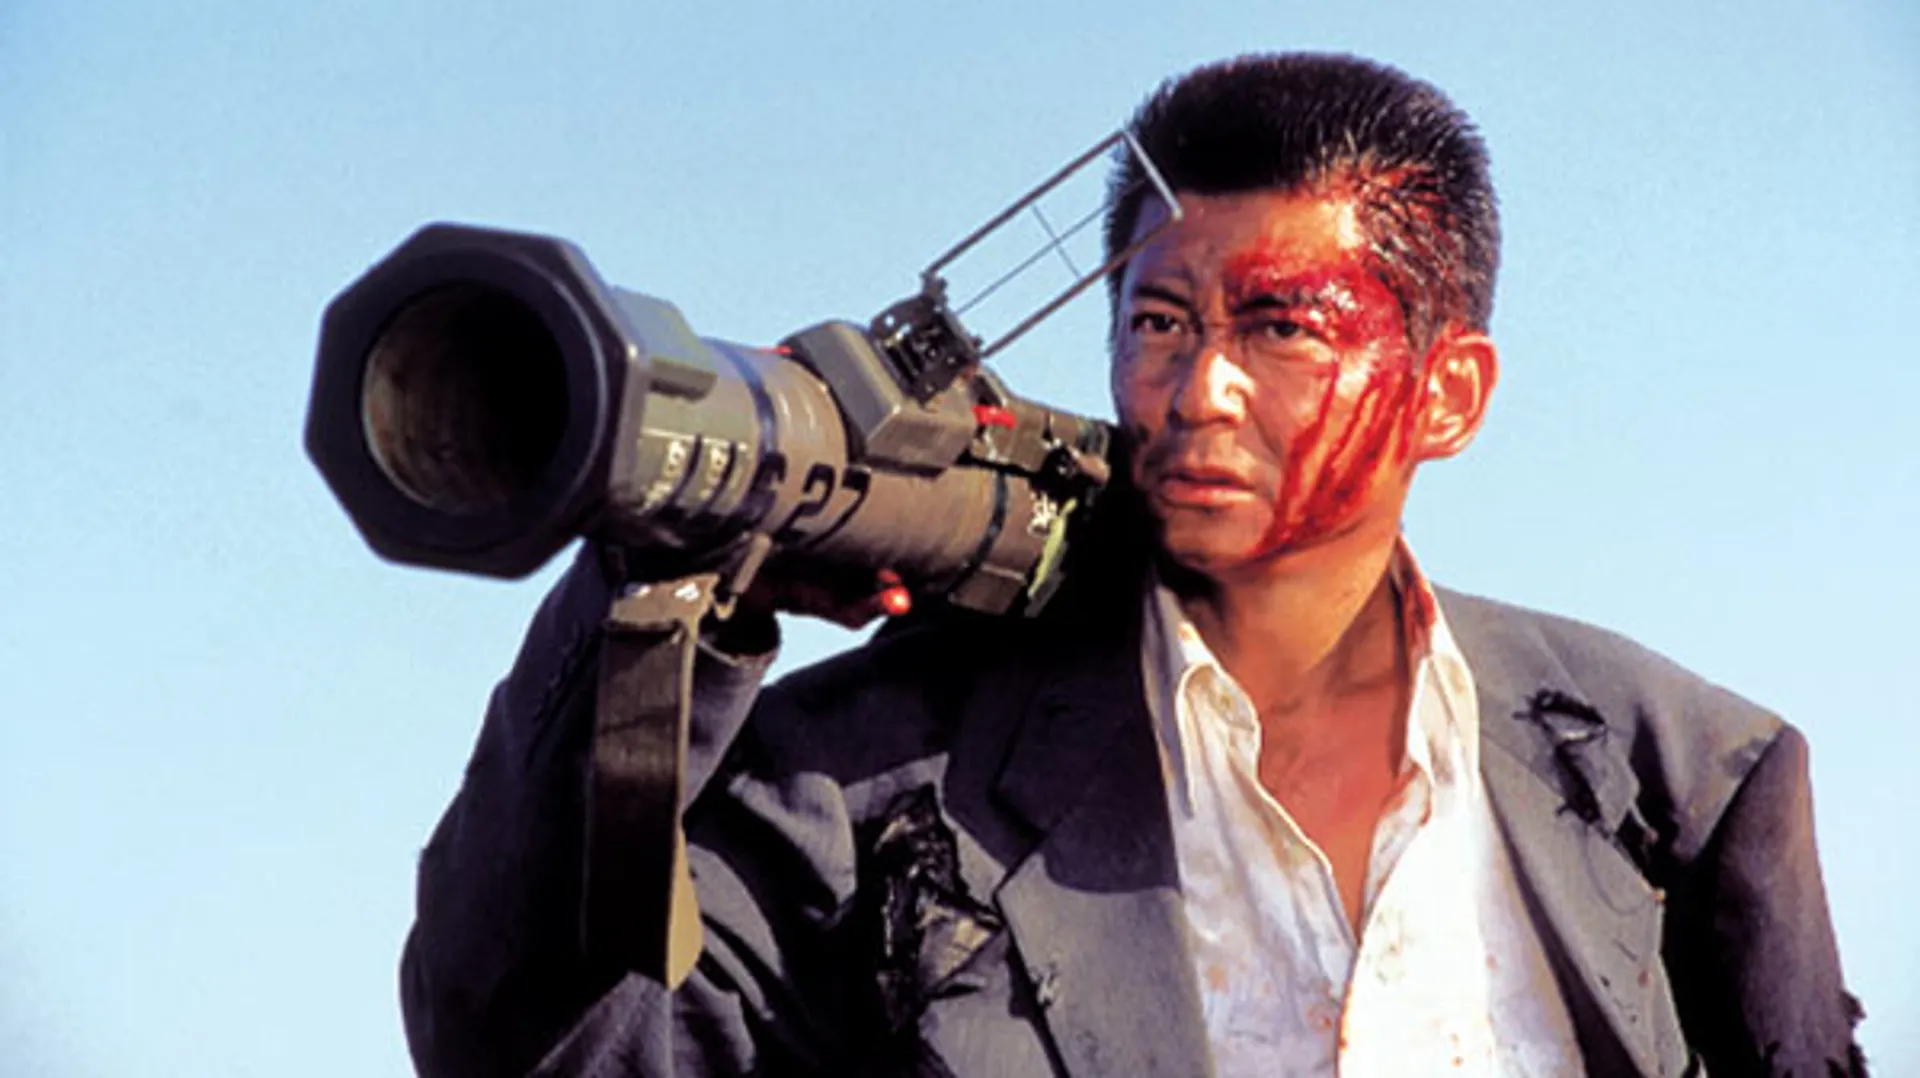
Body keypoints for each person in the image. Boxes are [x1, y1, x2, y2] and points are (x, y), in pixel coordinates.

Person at [399, 54, 1866, 1077]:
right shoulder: (867, 783)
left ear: (1449, 392)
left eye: (1281, 328)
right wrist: (656, 601)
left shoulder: (1677, 775)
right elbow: (524, 1048)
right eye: (1160, 323)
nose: (1197, 389)